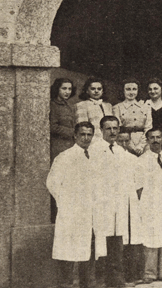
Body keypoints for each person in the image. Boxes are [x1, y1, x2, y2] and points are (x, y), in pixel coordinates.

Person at [47, 122, 97, 288]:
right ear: (75, 136)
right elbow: (52, 183)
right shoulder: (65, 157)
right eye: (82, 134)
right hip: (71, 210)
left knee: (88, 248)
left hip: (89, 211)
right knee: (68, 248)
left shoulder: (94, 156)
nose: (86, 138)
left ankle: (86, 283)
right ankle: (67, 283)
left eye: (89, 134)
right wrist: (67, 203)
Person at [90, 116, 135, 288]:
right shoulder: (95, 150)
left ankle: (116, 280)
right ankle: (99, 281)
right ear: (101, 130)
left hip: (118, 205)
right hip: (101, 205)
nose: (113, 132)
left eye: (115, 128)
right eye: (108, 129)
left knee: (117, 242)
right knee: (100, 243)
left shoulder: (120, 151)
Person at [138, 129, 162, 283]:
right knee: (150, 237)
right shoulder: (141, 160)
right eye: (151, 138)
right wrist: (144, 204)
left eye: (158, 137)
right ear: (147, 140)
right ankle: (149, 273)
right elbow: (138, 186)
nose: (155, 140)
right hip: (150, 202)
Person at [115, 128, 144, 285]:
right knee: (119, 241)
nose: (124, 144)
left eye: (127, 141)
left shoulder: (134, 159)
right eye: (121, 141)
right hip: (115, 205)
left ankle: (132, 275)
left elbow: (139, 186)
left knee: (132, 241)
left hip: (130, 203)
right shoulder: (109, 158)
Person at [113, 78, 152, 156]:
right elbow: (119, 128)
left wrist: (141, 146)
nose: (131, 92)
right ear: (123, 91)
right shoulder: (117, 108)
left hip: (144, 143)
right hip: (125, 143)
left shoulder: (146, 107)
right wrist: (131, 147)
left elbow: (148, 127)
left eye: (134, 89)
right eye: (128, 89)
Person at [50, 78, 77, 161]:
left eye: (70, 89)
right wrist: (73, 132)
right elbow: (53, 127)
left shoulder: (70, 106)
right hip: (58, 145)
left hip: (71, 144)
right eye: (64, 88)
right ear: (57, 89)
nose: (67, 92)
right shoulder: (53, 105)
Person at [144, 78, 162, 145]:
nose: (152, 91)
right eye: (150, 89)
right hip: (149, 141)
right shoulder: (144, 105)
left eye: (155, 89)